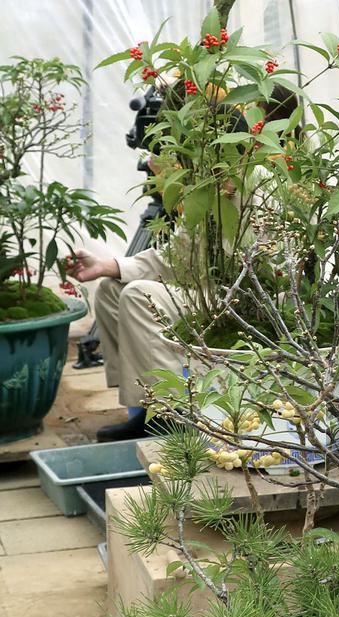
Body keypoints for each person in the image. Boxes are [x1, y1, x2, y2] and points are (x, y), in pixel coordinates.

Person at [67, 89, 298, 442]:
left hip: (247, 301)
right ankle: (146, 408)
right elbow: (179, 258)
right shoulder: (209, 190)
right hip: (210, 289)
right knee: (112, 293)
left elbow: (266, 270)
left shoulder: (260, 186)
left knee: (140, 297)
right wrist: (106, 266)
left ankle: (177, 413)